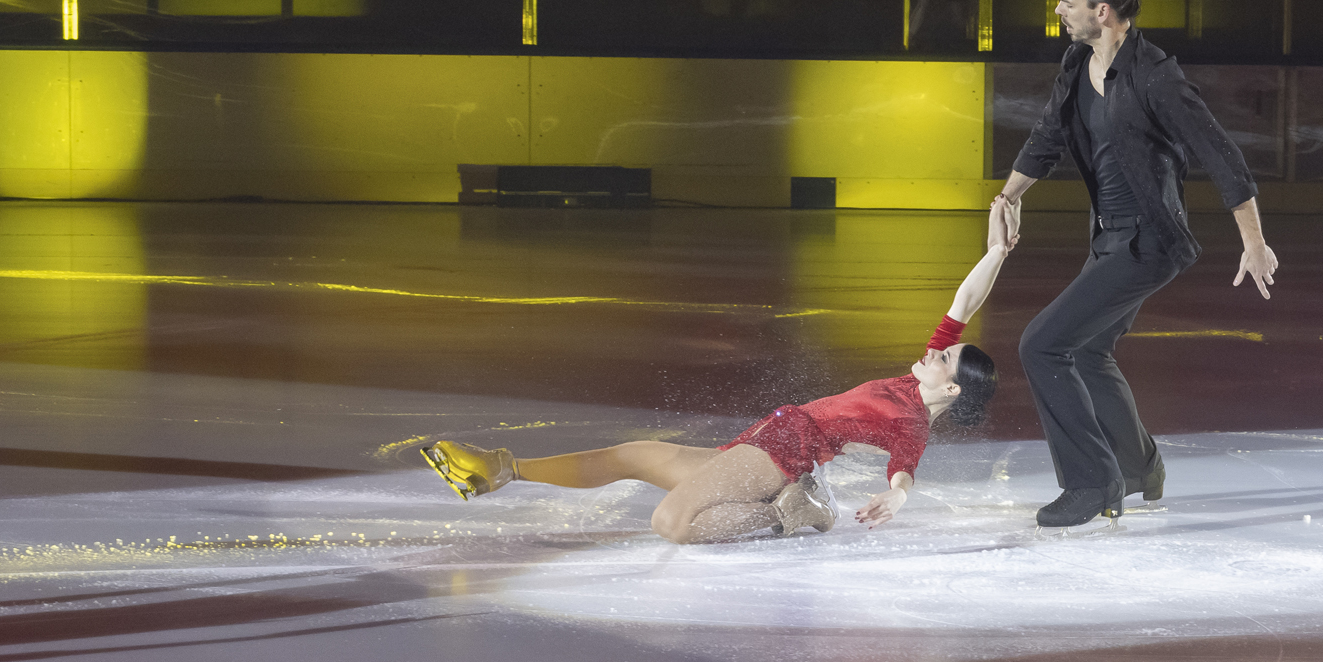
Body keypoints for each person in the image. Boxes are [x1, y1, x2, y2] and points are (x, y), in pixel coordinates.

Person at [421, 200, 1017, 544]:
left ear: (954, 388)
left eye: (947, 358)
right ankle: (503, 470)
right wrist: (996, 252)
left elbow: (904, 470)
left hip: (786, 448)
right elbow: (963, 304)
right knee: (631, 456)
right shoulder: (912, 381)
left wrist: (897, 499)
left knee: (672, 522)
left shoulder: (911, 420)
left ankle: (793, 511)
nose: (939, 350)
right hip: (770, 436)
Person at [995, 0, 1278, 530]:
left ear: (1102, 11)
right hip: (1108, 238)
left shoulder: (1155, 76)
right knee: (1090, 351)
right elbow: (1049, 133)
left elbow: (1221, 156)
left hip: (1149, 242)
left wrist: (1254, 241)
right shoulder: (1078, 62)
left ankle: (1092, 483)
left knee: (1043, 346)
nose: (1056, 9)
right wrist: (1008, 198)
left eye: (1066, 2)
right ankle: (1139, 467)